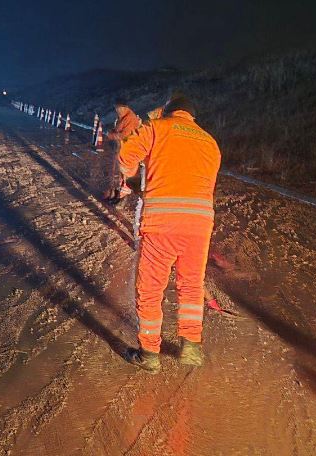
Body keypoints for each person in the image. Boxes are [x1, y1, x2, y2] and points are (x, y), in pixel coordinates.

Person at [116, 93, 221, 373]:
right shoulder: (210, 142)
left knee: (150, 289)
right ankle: (192, 346)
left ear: (168, 112)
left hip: (163, 222)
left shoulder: (157, 128)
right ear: (192, 117)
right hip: (199, 224)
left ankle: (149, 353)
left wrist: (132, 177)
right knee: (191, 284)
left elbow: (127, 156)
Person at [104, 99, 142, 205]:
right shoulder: (123, 118)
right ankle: (117, 193)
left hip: (129, 151)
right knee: (119, 173)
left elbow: (125, 135)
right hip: (121, 149)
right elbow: (118, 130)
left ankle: (122, 196)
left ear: (125, 107)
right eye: (116, 108)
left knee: (126, 173)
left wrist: (112, 135)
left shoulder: (130, 118)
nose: (117, 111)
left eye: (119, 108)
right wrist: (113, 131)